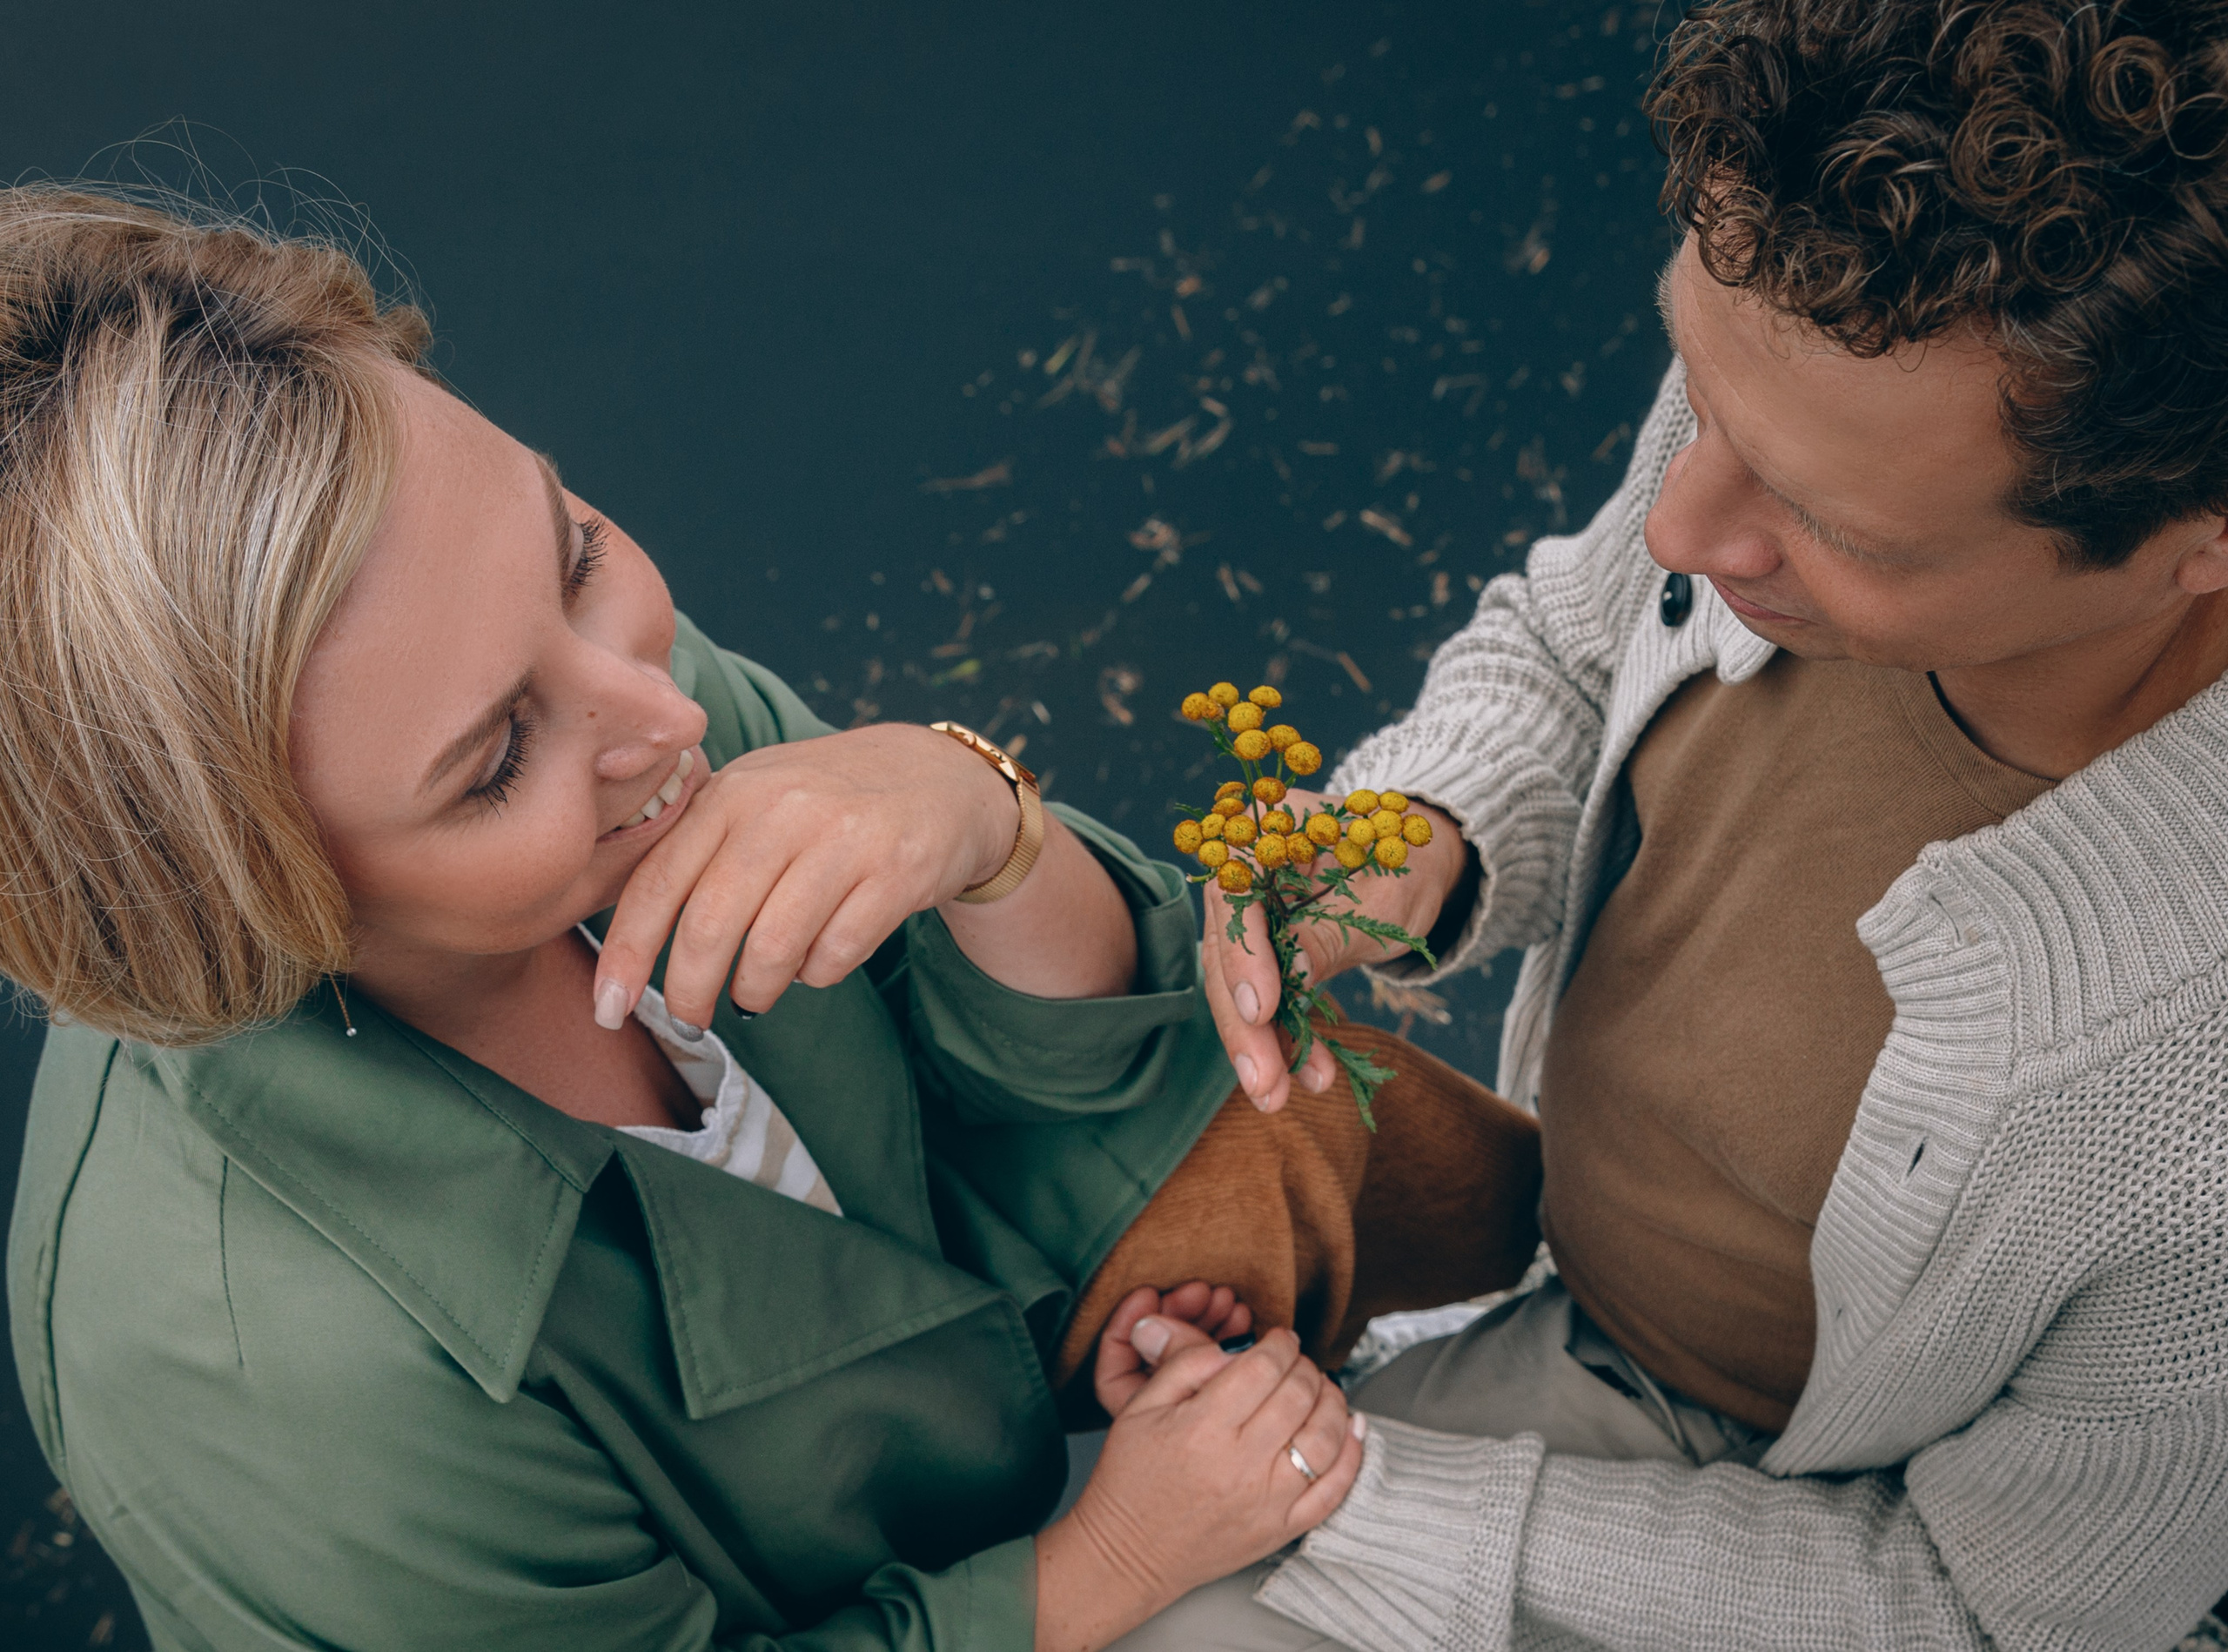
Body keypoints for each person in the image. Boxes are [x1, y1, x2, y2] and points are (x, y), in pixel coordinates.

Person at [0, 187, 1549, 1650]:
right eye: (493, 762)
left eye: (579, 550)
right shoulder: (274, 1381)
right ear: (243, 905)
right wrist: (1099, 1566)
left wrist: (983, 820)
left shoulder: (577, 705)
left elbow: (1072, 1041)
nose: (667, 715)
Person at [1144, 1, 2228, 1648]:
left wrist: (1348, 1480)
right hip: (1548, 1269)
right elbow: (1585, 633)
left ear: (2194, 550)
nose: (1680, 518)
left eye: (1821, 517)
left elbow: (1985, 1615)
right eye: (1696, 389)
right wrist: (1422, 828)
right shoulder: (1822, 361)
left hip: (1791, 1509)